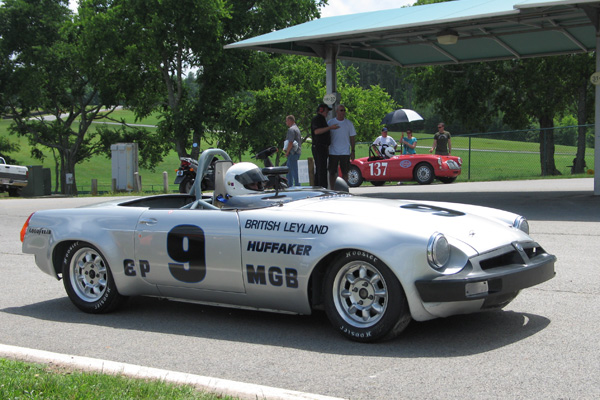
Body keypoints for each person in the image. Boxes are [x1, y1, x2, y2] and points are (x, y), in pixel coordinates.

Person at [327, 104, 356, 189]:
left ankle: (344, 188)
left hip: (345, 152)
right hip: (333, 151)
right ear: (336, 111)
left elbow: (352, 137)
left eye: (344, 110)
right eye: (341, 110)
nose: (343, 112)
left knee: (345, 172)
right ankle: (332, 188)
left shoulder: (349, 123)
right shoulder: (331, 122)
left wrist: (353, 151)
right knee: (332, 172)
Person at [310, 103, 338, 188]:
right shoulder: (317, 119)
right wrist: (330, 128)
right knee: (321, 169)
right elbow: (317, 131)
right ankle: (321, 186)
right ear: (321, 110)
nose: (327, 114)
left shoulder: (322, 119)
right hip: (319, 147)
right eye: (326, 111)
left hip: (323, 147)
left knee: (322, 168)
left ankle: (321, 186)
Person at [284, 115, 302, 186]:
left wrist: (287, 152)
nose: (286, 122)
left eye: (287, 120)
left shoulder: (291, 129)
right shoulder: (297, 128)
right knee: (293, 170)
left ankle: (291, 185)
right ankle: (294, 185)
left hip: (293, 153)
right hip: (297, 152)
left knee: (291, 171)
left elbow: (290, 142)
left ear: (290, 120)